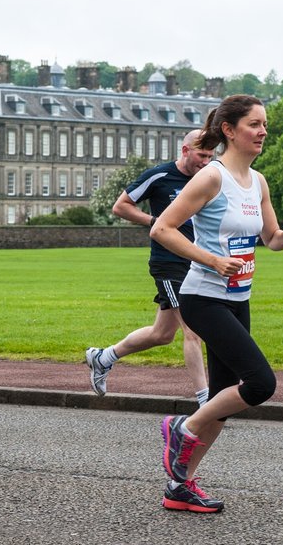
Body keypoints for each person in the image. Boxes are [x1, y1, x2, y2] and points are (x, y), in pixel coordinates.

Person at [151, 95, 283, 513]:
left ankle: (178, 487)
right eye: (254, 124)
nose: (263, 132)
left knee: (222, 397)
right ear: (229, 130)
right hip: (203, 297)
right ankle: (183, 427)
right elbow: (163, 229)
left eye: (265, 125)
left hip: (238, 299)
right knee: (260, 384)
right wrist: (211, 259)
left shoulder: (258, 182)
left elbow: (270, 240)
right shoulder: (211, 178)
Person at [85, 130, 213, 404]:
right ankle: (206, 401)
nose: (205, 162)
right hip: (169, 263)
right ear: (185, 150)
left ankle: (103, 357)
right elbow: (121, 206)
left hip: (197, 262)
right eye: (202, 155)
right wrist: (153, 221)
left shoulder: (209, 179)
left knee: (162, 334)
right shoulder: (160, 176)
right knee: (193, 329)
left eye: (211, 156)